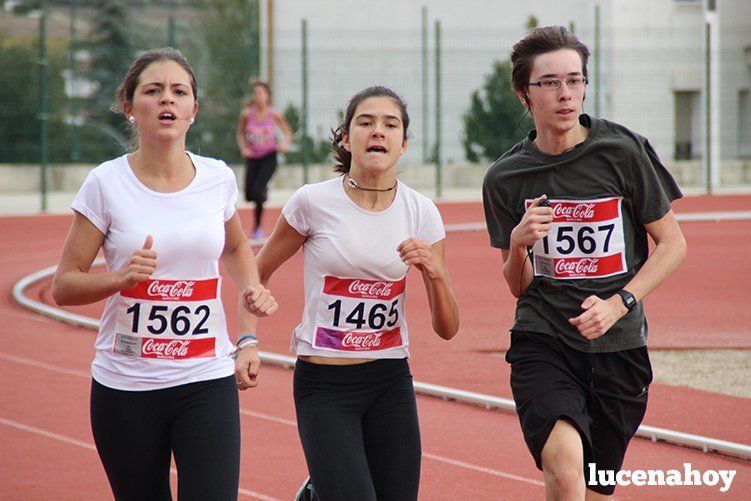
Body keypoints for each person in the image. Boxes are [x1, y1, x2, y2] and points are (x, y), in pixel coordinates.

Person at [52, 47, 278, 501]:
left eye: (179, 91)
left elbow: (235, 246)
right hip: (127, 385)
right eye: (153, 91)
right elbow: (64, 284)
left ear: (194, 109)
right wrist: (118, 280)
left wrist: (250, 309)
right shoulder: (106, 183)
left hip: (206, 377)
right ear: (130, 108)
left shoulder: (217, 178)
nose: (167, 100)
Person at [482, 26, 687, 499]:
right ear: (523, 94)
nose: (565, 94)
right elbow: (517, 286)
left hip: (619, 347)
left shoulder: (623, 151)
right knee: (566, 472)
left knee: (593, 489)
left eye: (574, 80)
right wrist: (516, 245)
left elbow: (673, 245)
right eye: (549, 82)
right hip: (544, 339)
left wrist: (619, 303)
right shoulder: (505, 177)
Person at [242, 86, 460, 501]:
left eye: (389, 124)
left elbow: (449, 328)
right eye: (365, 122)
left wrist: (433, 273)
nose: (377, 131)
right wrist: (247, 339)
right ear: (346, 138)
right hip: (324, 385)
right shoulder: (312, 202)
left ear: (404, 144)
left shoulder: (422, 213)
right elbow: (256, 273)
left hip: (389, 380)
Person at [235, 80, 293, 239]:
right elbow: (240, 133)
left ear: (267, 96)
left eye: (261, 93)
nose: (257, 96)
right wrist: (243, 148)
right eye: (255, 93)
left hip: (269, 157)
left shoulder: (274, 114)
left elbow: (287, 132)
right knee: (248, 195)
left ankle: (256, 228)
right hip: (253, 157)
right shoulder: (247, 114)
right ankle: (263, 192)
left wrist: (284, 144)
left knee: (258, 191)